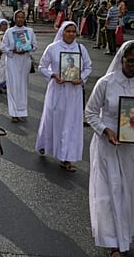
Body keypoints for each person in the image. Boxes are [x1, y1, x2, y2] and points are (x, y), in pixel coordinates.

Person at [85, 40, 134, 257]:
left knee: (131, 191)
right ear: (122, 60)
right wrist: (106, 130)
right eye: (131, 62)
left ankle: (125, 234)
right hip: (108, 145)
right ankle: (112, 242)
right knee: (110, 191)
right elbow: (90, 112)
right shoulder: (106, 83)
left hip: (133, 148)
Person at [35, 21, 92, 172]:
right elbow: (42, 66)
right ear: (62, 32)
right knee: (52, 119)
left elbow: (88, 67)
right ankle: (44, 144)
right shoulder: (53, 48)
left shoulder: (80, 49)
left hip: (74, 93)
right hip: (57, 91)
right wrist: (53, 75)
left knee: (70, 123)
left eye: (74, 31)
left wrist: (82, 78)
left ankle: (66, 157)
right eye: (68, 31)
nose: (71, 34)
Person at [0, 10, 37, 123]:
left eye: (22, 17)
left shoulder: (29, 31)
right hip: (12, 61)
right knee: (13, 86)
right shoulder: (9, 32)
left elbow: (34, 46)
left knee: (22, 86)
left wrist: (27, 48)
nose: (20, 19)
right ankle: (14, 113)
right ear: (14, 19)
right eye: (18, 17)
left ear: (24, 19)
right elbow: (3, 47)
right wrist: (13, 50)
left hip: (25, 61)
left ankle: (22, 112)